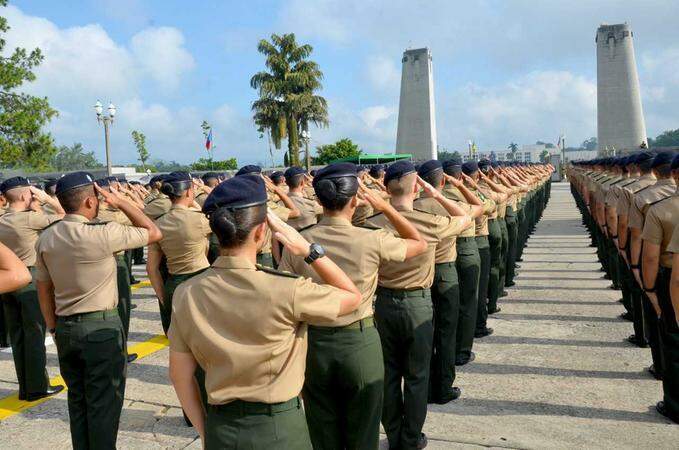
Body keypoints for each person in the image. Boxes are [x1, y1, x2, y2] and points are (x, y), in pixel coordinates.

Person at [167, 174, 361, 449]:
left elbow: (179, 375)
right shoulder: (288, 290)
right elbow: (352, 297)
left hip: (223, 428)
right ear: (261, 232)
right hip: (279, 428)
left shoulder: (186, 293)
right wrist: (309, 251)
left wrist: (207, 432)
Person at [279, 162, 427, 449]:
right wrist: (386, 208)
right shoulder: (371, 238)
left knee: (321, 431)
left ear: (319, 200)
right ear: (355, 199)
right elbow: (418, 243)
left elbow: (285, 292)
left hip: (313, 344)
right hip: (359, 342)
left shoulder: (301, 241)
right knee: (364, 431)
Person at [35, 172, 162, 450]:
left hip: (66, 328)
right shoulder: (103, 233)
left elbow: (44, 290)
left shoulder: (46, 238)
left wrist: (54, 328)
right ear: (92, 201)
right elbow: (153, 232)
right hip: (101, 329)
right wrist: (119, 200)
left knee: (78, 402)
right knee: (104, 405)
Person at [366, 160, 471, 450]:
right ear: (416, 187)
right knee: (417, 375)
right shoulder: (429, 221)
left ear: (385, 188)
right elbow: (464, 217)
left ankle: (395, 433)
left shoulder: (371, 223)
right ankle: (410, 439)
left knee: (388, 375)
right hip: (417, 304)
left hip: (383, 303)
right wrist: (435, 194)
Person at [414, 160, 475, 405]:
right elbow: (477, 209)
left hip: (420, 273)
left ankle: (427, 385)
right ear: (442, 181)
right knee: (447, 333)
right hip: (445, 271)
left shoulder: (410, 207)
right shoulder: (452, 206)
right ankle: (443, 386)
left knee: (426, 333)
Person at [0, 176, 65, 401]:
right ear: (23, 195)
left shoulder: (1, 218)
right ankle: (37, 386)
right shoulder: (30, 219)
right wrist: (48, 199)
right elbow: (67, 217)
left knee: (18, 336)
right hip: (30, 279)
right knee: (35, 334)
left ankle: (25, 387)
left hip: (7, 280)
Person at [629, 152, 676, 380]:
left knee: (666, 327)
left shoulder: (645, 199)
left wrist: (648, 287)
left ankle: (663, 373)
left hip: (666, 272)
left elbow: (646, 251)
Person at [146, 172, 213, 335]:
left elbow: (151, 268)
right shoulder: (199, 220)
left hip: (174, 284)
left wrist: (163, 298)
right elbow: (210, 214)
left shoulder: (159, 223)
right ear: (189, 192)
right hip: (200, 280)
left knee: (180, 342)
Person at [642, 153, 679, 424]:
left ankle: (674, 405)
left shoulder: (657, 206)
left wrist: (650, 289)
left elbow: (651, 257)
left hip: (671, 278)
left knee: (673, 341)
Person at [94, 177, 139, 363]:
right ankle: (121, 350)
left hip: (96, 265)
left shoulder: (94, 216)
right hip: (116, 263)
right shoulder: (115, 215)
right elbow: (141, 210)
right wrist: (123, 197)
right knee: (121, 308)